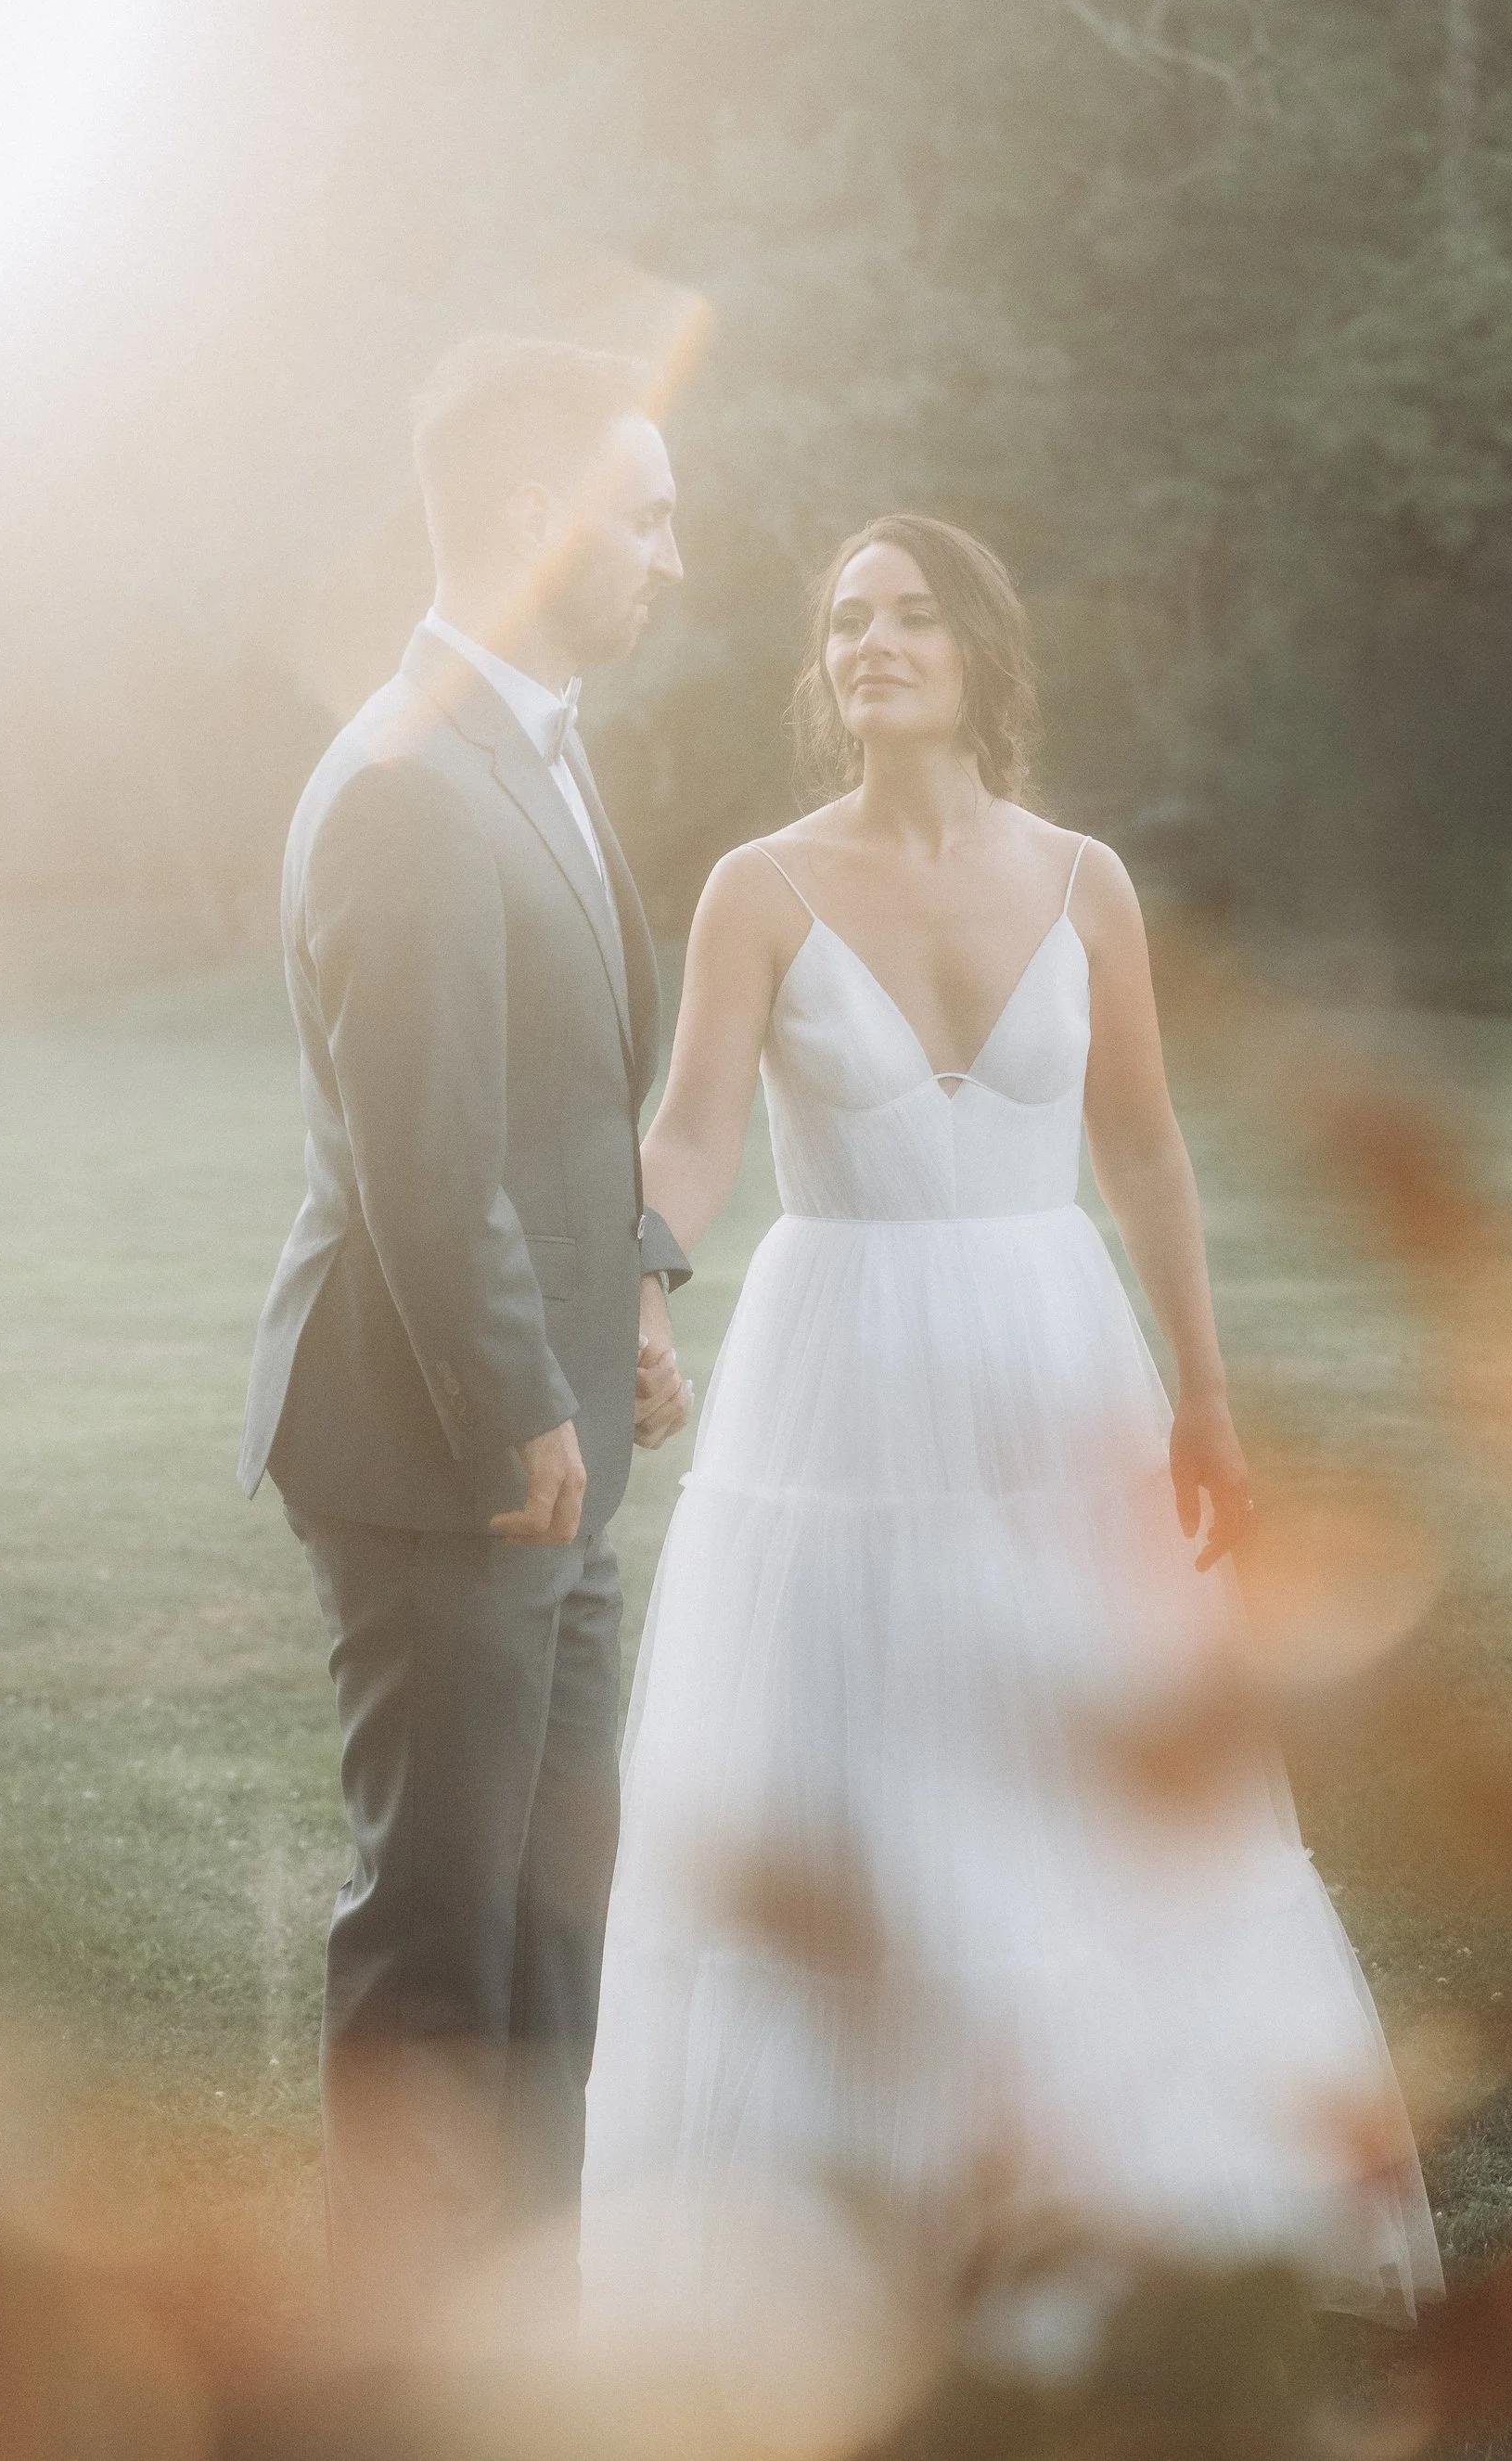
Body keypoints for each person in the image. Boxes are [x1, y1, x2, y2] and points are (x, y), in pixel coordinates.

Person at [583, 514, 1442, 2318]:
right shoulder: (757, 882)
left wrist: (1202, 1393)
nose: (872, 643)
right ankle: (852, 2240)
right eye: (843, 623)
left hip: (1062, 1379)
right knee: (865, 1782)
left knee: (1090, 1784)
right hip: (840, 1391)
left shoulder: (1082, 880)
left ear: (979, 650)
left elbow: (1138, 1145)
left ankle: (1130, 2215)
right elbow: (689, 1132)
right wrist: (631, 1289)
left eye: (908, 615)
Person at [238, 335, 692, 2330]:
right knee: (436, 1942)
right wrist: (521, 1408)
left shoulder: (536, 743)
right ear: (533, 520)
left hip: (556, 1434)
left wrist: (634, 1323)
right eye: (646, 513)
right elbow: (428, 1163)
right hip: (439, 1460)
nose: (675, 553)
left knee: (548, 1930)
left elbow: (554, 1104)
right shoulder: (413, 778)